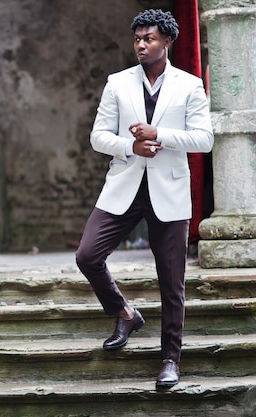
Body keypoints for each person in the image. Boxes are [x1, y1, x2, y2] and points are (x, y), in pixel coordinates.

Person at [75, 9, 213, 389]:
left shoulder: (189, 85)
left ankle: (170, 359)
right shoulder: (118, 83)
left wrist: (160, 134)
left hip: (169, 189)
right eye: (137, 38)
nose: (141, 44)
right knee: (87, 254)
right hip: (125, 186)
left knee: (172, 282)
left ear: (166, 41)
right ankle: (124, 311)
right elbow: (98, 137)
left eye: (149, 38)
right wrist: (132, 146)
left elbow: (204, 139)